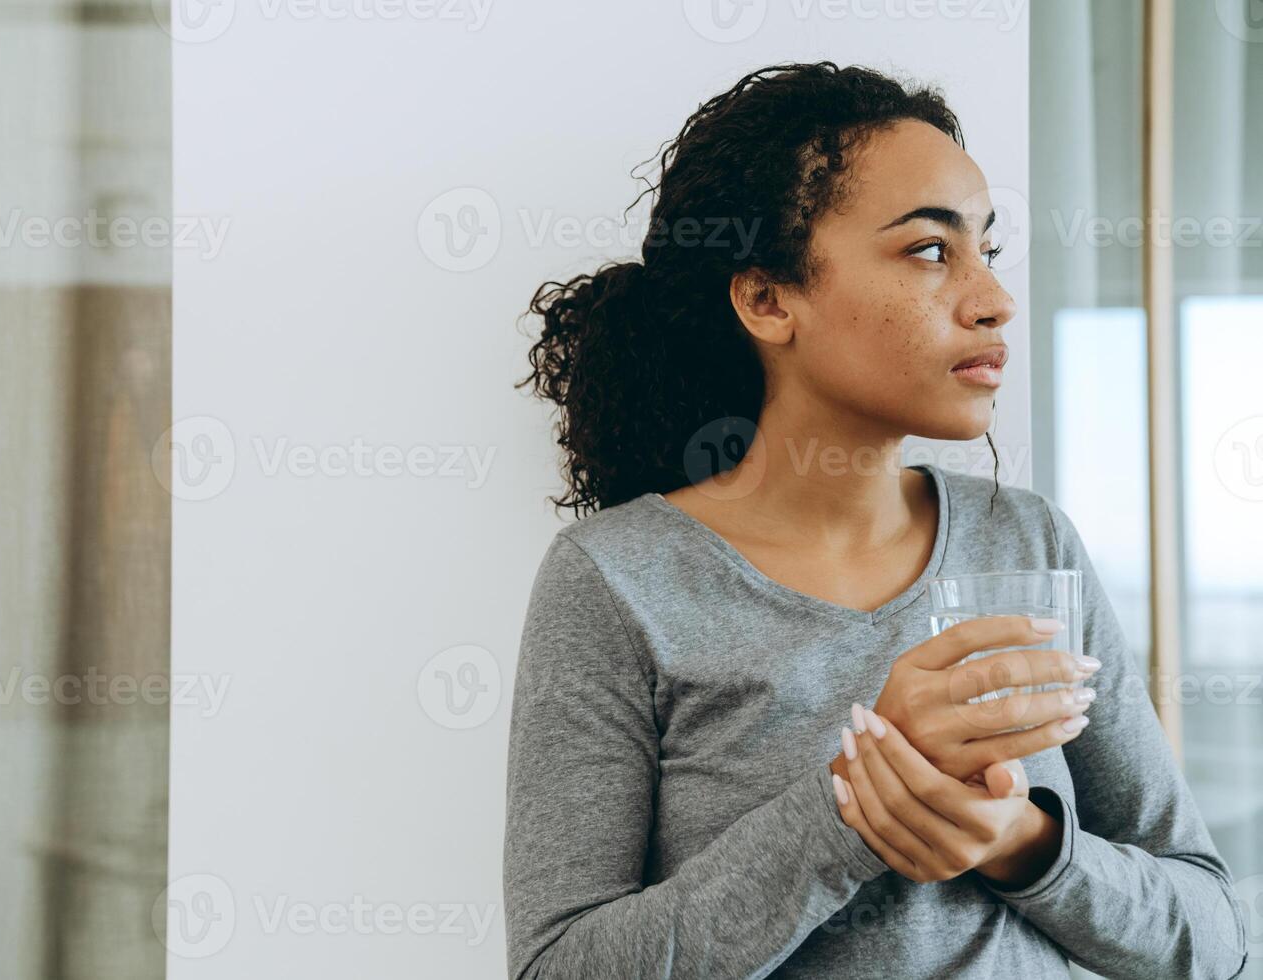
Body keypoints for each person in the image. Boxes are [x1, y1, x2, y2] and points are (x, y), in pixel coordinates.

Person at [502, 61, 1248, 979]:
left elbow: (1213, 939)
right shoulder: (615, 579)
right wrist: (855, 806)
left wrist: (1021, 842)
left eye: (988, 251)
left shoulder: (1031, 542)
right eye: (931, 251)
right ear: (769, 299)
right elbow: (558, 968)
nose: (994, 299)